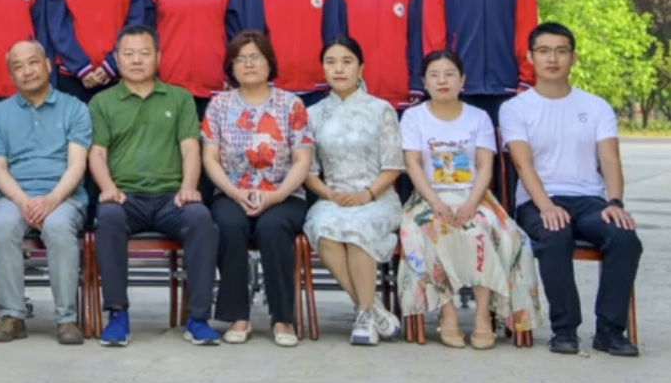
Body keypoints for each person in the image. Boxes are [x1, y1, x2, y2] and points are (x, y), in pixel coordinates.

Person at [501, 22, 641, 357]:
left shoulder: (596, 106)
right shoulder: (516, 108)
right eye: (544, 51)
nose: (553, 59)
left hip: (589, 200)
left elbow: (609, 159)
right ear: (530, 57)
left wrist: (615, 202)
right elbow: (523, 165)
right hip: (538, 201)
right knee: (555, 235)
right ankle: (564, 330)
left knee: (624, 238)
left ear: (573, 57)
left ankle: (610, 331)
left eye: (561, 51)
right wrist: (546, 206)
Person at [397, 50, 541, 348]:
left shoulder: (478, 117)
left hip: (474, 196)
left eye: (450, 74)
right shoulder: (413, 117)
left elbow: (485, 166)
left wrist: (471, 203)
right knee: (430, 230)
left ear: (462, 80)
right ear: (424, 82)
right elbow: (412, 164)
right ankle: (447, 312)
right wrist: (436, 203)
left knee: (486, 231)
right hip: (428, 197)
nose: (442, 81)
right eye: (434, 75)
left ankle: (483, 315)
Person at [89, 26, 220, 346]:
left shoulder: (179, 97)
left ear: (158, 57)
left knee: (201, 220)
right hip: (125, 197)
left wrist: (188, 186)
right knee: (108, 218)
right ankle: (118, 315)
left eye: (145, 53)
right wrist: (108, 187)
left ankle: (198, 318)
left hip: (171, 198)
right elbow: (97, 152)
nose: (137, 60)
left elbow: (190, 148)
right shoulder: (102, 102)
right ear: (117, 58)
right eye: (129, 54)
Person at [200, 31, 314, 345]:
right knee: (229, 224)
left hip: (283, 193)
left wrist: (277, 195)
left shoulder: (291, 104)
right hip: (232, 192)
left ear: (269, 62)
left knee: (272, 227)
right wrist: (234, 193)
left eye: (255, 57)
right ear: (231, 67)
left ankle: (282, 318)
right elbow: (210, 158)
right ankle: (238, 315)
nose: (248, 64)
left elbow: (302, 160)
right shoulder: (219, 105)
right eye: (240, 59)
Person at [0, 40, 92, 345]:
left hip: (64, 195)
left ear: (47, 65)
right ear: (11, 75)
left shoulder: (75, 108)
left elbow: (77, 165)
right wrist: (23, 201)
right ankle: (12, 316)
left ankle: (66, 319)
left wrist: (51, 200)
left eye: (33, 62)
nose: (27, 71)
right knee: (2, 227)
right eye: (18, 67)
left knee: (57, 227)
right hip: (16, 195)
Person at [304, 37, 406, 346]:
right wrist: (330, 194)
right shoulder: (313, 114)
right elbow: (308, 172)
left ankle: (364, 313)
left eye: (347, 62)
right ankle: (370, 310)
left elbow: (393, 166)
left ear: (361, 68)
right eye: (331, 62)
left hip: (377, 197)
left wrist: (367, 194)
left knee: (358, 227)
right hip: (332, 196)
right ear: (323, 68)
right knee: (323, 228)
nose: (339, 69)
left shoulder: (381, 109)